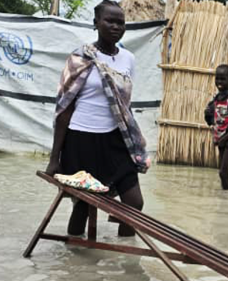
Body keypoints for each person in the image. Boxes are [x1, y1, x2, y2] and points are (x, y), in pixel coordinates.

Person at [45, 0, 150, 237]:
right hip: (81, 141)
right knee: (83, 206)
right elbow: (64, 110)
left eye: (120, 22)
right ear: (96, 23)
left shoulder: (128, 59)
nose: (115, 26)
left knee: (134, 203)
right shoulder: (79, 59)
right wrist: (55, 158)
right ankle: (75, 263)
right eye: (109, 21)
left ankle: (125, 254)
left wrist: (136, 144)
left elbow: (124, 105)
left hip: (116, 141)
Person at [204, 64, 228, 190]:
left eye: (223, 79)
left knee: (223, 173)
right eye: (217, 79)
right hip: (221, 140)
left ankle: (226, 201)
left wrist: (225, 139)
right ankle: (225, 198)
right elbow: (211, 122)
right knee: (222, 173)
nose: (219, 82)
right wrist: (207, 115)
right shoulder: (215, 100)